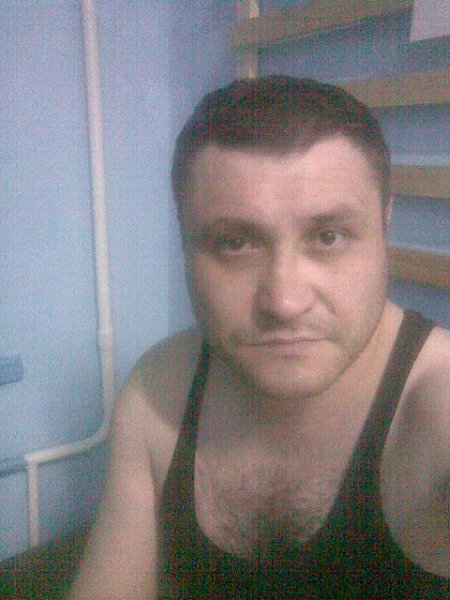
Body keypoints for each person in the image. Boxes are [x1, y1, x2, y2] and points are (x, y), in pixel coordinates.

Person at [71, 76, 449, 599]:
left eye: (329, 236)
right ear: (184, 243)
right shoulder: (159, 389)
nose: (284, 302)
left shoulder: (438, 401)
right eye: (234, 243)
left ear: (384, 228)